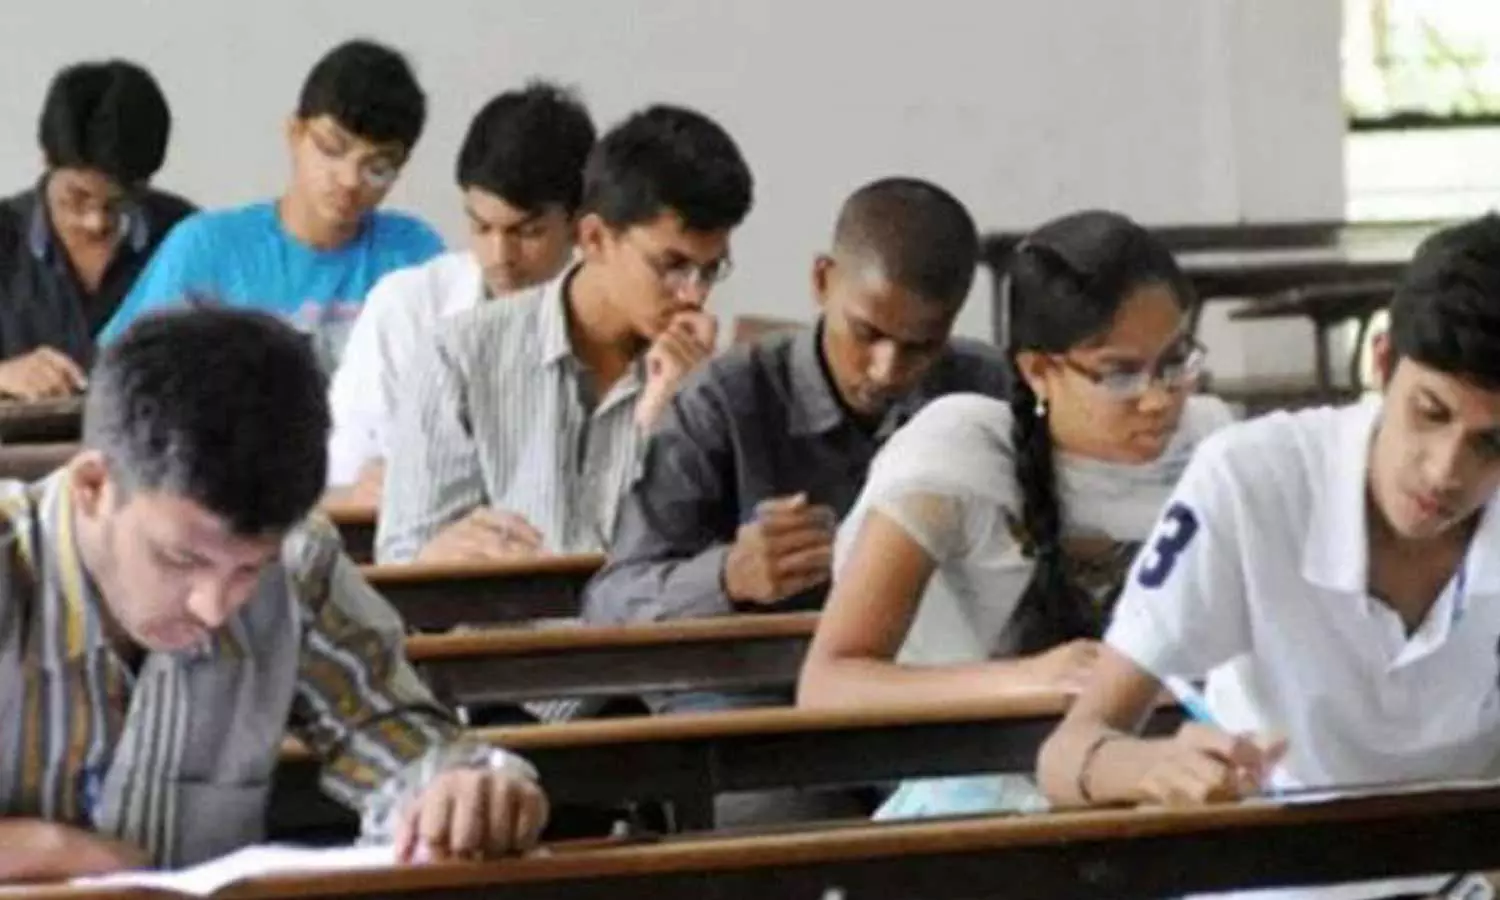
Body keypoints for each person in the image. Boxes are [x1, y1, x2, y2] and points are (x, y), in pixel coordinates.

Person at [1036, 213, 1500, 900]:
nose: (1444, 471)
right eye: (1429, 413)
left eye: (1492, 444)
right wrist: (1149, 767)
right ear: (1380, 362)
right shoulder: (1250, 481)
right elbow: (1067, 753)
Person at [0, 307, 545, 882]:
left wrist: (458, 792)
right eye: (180, 559)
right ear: (93, 486)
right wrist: (45, 849)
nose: (213, 608)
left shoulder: (297, 565)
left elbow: (394, 735)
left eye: (248, 569)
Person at [798, 209, 1233, 819]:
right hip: (979, 794)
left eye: (1175, 360)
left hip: (1166, 779)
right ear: (1038, 371)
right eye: (1119, 373)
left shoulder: (1212, 445)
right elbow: (828, 684)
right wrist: (1029, 679)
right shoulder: (958, 455)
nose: (1159, 398)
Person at [583, 176, 1011, 713]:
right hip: (751, 697)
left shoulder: (987, 390)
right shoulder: (724, 399)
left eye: (920, 347)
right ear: (822, 279)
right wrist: (727, 576)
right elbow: (608, 603)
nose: (887, 369)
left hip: (929, 689)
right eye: (868, 333)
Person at [375, 104, 753, 565]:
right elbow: (402, 557)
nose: (694, 294)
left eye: (710, 270)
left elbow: (704, 572)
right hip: (497, 613)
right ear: (593, 238)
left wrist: (678, 422)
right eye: (672, 265)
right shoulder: (458, 355)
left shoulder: (713, 383)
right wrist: (434, 559)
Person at [99, 39, 444, 371]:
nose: (350, 180)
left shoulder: (413, 257)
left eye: (378, 168)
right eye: (331, 149)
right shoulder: (207, 250)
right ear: (294, 133)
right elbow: (119, 374)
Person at [326, 82, 595, 500]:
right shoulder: (408, 305)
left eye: (528, 232)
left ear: (579, 223)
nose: (500, 256)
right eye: (481, 227)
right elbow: (347, 465)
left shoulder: (618, 318)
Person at [0, 60, 194, 400]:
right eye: (77, 198)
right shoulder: (6, 235)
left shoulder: (186, 237)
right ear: (46, 159)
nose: (97, 222)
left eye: (118, 203)